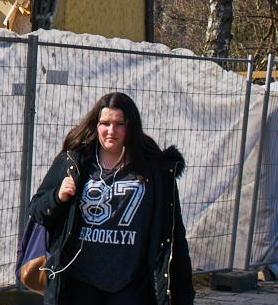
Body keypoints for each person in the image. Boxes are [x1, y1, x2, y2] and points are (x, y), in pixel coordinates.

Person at [28, 92, 193, 305]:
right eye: (105, 123)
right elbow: (37, 211)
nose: (111, 131)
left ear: (131, 127)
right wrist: (58, 197)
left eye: (119, 124)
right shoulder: (73, 162)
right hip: (79, 280)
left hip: (131, 282)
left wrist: (184, 296)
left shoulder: (156, 172)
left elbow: (174, 237)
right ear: (96, 126)